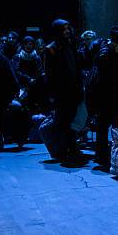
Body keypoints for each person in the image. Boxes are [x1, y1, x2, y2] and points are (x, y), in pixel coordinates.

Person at [44, 19, 84, 160]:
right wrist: (52, 94)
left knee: (72, 121)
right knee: (63, 122)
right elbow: (49, 74)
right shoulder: (51, 49)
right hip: (61, 93)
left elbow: (77, 67)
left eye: (68, 28)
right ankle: (65, 150)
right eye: (64, 29)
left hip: (74, 90)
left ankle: (71, 148)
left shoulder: (71, 44)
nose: (67, 31)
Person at [92, 26, 118, 166]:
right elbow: (107, 79)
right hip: (106, 99)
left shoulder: (110, 53)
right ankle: (102, 156)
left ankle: (108, 154)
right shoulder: (105, 55)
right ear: (116, 43)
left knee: (110, 127)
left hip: (111, 98)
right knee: (103, 127)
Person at [12, 36, 44, 112]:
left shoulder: (36, 57)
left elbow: (40, 70)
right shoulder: (18, 57)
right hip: (21, 84)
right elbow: (16, 70)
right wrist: (28, 78)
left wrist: (34, 79)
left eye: (30, 44)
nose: (28, 46)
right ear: (23, 45)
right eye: (26, 44)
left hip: (34, 84)